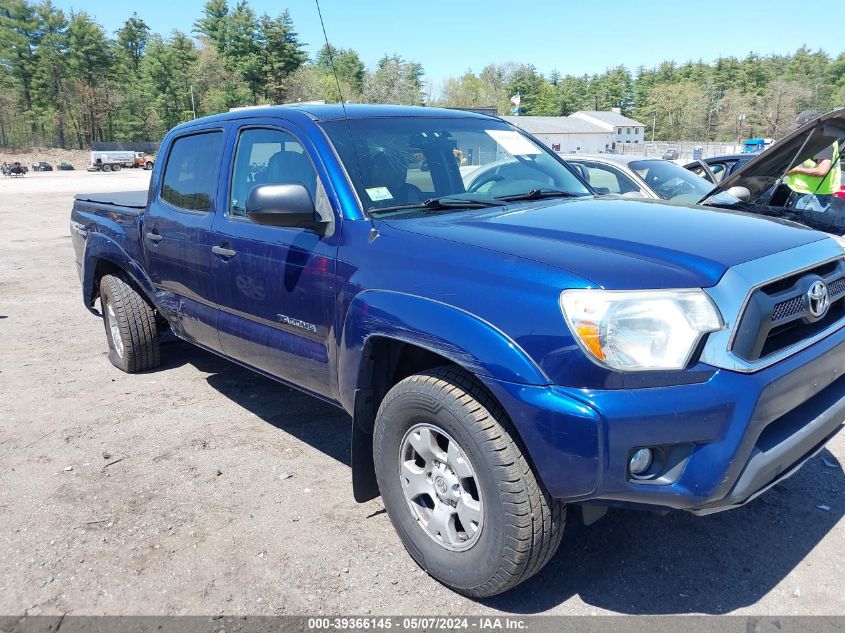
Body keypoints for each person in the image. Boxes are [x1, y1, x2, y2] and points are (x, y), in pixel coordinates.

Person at [785, 109, 841, 213]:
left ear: (811, 126)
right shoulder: (815, 141)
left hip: (814, 195)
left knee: (803, 227)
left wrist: (796, 170)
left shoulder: (822, 142)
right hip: (807, 192)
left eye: (801, 127)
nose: (798, 131)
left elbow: (822, 171)